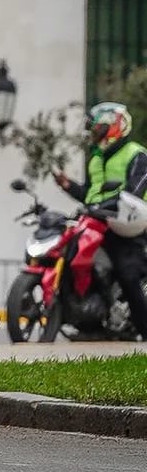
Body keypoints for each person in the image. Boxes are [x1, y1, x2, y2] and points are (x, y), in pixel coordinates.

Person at [53, 102, 147, 340]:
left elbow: (134, 190)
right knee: (77, 260)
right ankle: (89, 322)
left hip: (127, 225)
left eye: (100, 126)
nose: (95, 131)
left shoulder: (135, 153)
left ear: (117, 125)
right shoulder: (96, 159)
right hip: (96, 222)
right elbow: (91, 195)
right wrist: (69, 187)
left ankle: (144, 329)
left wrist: (106, 206)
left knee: (128, 275)